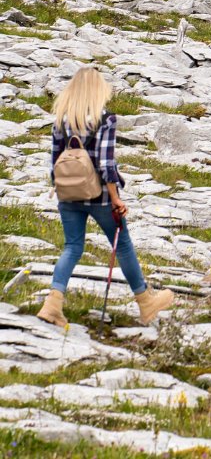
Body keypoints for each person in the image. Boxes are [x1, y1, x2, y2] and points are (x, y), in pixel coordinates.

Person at [37, 67, 174, 327]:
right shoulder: (104, 119)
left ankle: (52, 303)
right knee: (121, 245)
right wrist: (115, 198)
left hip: (68, 195)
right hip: (98, 195)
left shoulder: (62, 119)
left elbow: (55, 159)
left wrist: (59, 187)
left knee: (72, 247)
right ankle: (145, 302)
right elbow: (105, 162)